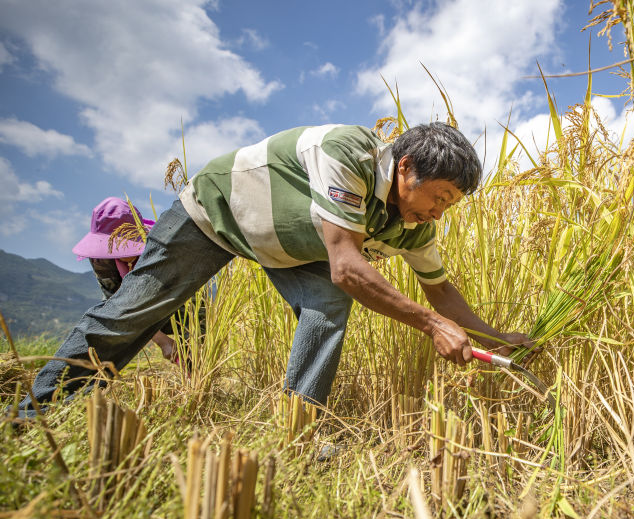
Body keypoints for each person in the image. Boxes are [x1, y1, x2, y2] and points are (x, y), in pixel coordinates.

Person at [18, 122, 531, 417]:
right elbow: (348, 268)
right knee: (135, 310)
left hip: (290, 246)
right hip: (216, 214)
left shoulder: (415, 226)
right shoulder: (348, 152)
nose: (439, 213)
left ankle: (300, 421)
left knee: (327, 307)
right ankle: (37, 411)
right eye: (438, 197)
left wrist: (493, 335)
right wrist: (429, 326)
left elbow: (442, 292)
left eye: (450, 205)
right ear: (405, 168)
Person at [72, 197, 179, 363]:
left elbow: (185, 293)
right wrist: (162, 341)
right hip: (131, 312)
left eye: (125, 245)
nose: (120, 253)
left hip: (171, 304)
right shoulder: (100, 260)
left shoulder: (161, 249)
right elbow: (118, 304)